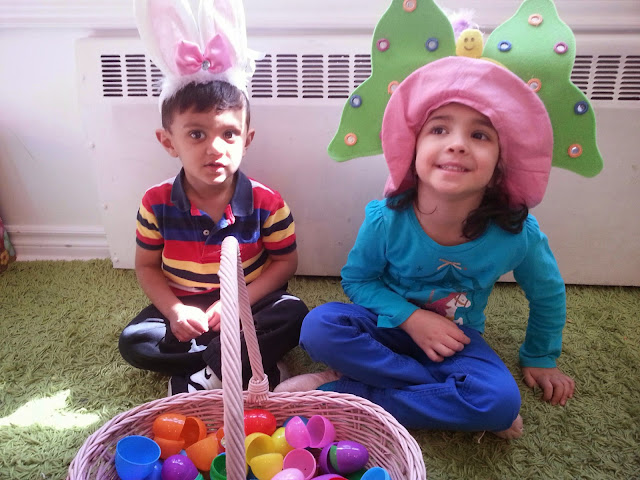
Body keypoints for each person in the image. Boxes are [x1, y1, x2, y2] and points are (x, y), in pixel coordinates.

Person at [275, 56, 575, 439]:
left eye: (480, 135)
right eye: (439, 129)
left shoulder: (518, 233)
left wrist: (541, 356)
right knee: (319, 326)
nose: (457, 145)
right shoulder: (386, 218)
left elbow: (548, 294)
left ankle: (344, 392)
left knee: (499, 402)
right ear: (412, 150)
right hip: (385, 326)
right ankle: (443, 395)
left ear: (501, 163)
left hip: (456, 342)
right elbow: (358, 280)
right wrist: (412, 319)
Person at [119, 0, 308, 395]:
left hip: (249, 303)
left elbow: (284, 262)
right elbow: (147, 267)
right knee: (136, 341)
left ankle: (207, 372)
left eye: (229, 134)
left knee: (294, 314)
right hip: (186, 304)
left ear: (246, 140)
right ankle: (236, 363)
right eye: (196, 134)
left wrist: (240, 304)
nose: (215, 148)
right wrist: (175, 311)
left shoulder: (268, 202)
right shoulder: (155, 203)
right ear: (168, 142)